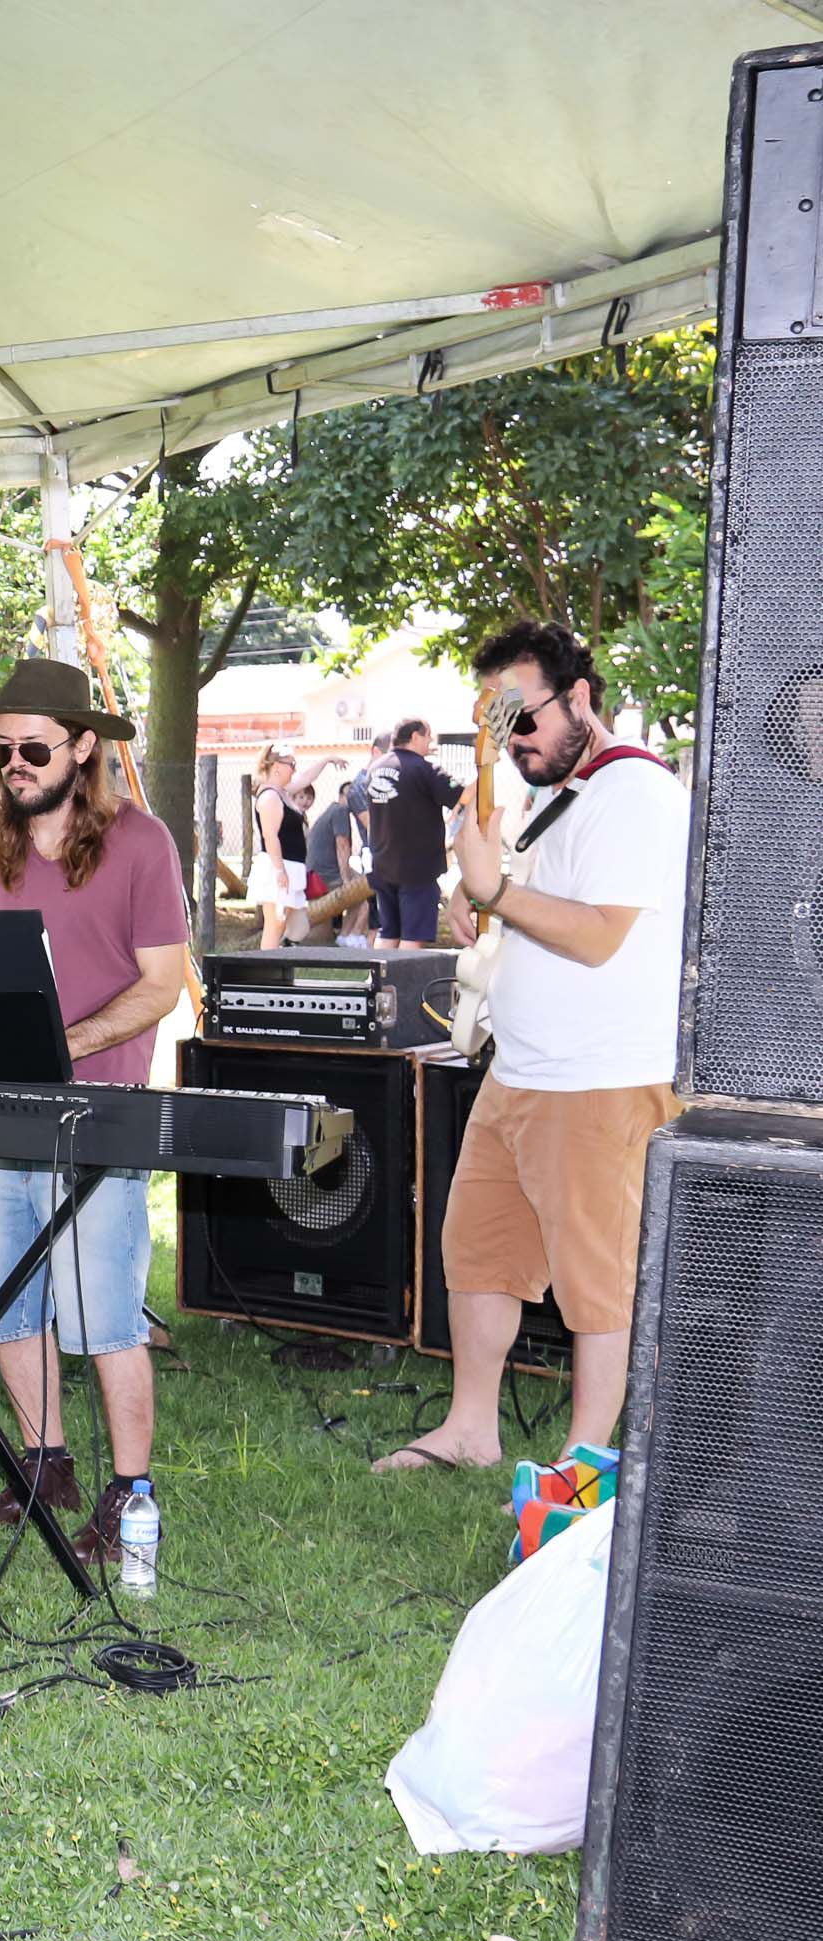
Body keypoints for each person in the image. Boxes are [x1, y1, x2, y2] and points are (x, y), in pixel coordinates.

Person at [377, 622, 686, 1475]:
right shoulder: (561, 793)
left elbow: (598, 935)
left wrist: (499, 892)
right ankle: (470, 1431)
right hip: (520, 1072)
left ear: (578, 697)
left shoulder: (636, 791)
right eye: (496, 722)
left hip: (601, 1081)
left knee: (597, 1281)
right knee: (479, 1254)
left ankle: (585, 1462)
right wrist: (479, 902)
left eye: (524, 718)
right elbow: (527, 908)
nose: (512, 741)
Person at [0, 658, 192, 1563]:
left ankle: (131, 1498)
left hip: (101, 1110)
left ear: (83, 747)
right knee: (2, 1302)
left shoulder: (143, 843)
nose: (14, 763)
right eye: (1, 749)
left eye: (34, 748)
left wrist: (64, 1043)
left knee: (104, 1316)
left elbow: (162, 986)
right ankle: (45, 1473)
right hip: (4, 1115)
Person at [363, 719, 459, 946]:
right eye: (428, 736)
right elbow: (460, 795)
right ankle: (405, 972)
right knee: (413, 937)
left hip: (382, 863)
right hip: (417, 868)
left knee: (389, 933)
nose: (430, 742)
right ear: (415, 736)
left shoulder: (375, 769)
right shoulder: (424, 769)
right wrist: (484, 772)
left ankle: (379, 971)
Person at [245, 744, 307, 949]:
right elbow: (270, 836)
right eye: (291, 764)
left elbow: (306, 778)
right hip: (277, 866)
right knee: (275, 923)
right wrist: (280, 870)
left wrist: (327, 760)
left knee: (288, 925)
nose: (294, 769)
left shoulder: (283, 793)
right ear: (277, 766)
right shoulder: (270, 797)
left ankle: (277, 959)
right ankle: (267, 964)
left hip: (290, 866)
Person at [304, 769, 368, 946]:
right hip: (326, 875)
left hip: (316, 871)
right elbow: (342, 846)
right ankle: (352, 937)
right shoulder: (340, 811)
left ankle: (344, 935)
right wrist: (346, 880)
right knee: (365, 895)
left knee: (360, 889)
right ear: (342, 796)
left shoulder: (332, 811)